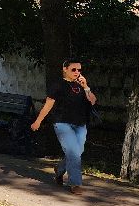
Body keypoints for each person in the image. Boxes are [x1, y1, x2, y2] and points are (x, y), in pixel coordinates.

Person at [30, 59, 98, 195]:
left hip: (80, 124)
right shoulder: (57, 85)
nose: (77, 72)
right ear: (65, 69)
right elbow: (48, 105)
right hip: (62, 123)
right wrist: (38, 121)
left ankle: (59, 169)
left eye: (79, 70)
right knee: (73, 153)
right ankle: (76, 184)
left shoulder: (81, 85)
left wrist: (86, 87)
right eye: (74, 69)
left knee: (76, 153)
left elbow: (93, 101)